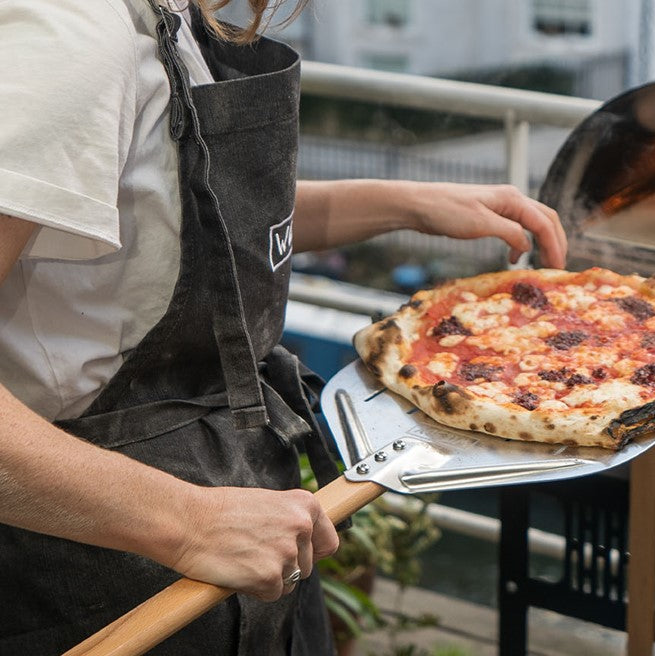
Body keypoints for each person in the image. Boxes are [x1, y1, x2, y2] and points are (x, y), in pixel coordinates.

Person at [0, 0, 567, 653]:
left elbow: (186, 220)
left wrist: (407, 204)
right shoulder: (71, 37)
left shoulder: (162, 15)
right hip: (88, 561)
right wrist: (187, 522)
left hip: (225, 515)